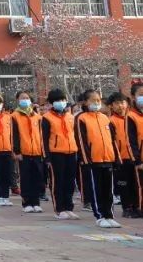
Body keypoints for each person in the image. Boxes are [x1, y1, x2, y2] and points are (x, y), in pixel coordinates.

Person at [74, 89, 121, 228]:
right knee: (96, 190)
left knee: (108, 190)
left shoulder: (105, 118)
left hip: (108, 159)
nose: (96, 103)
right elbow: (81, 141)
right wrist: (86, 160)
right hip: (93, 161)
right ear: (85, 102)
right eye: (93, 100)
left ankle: (109, 215)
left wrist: (116, 158)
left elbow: (112, 140)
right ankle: (100, 216)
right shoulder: (81, 118)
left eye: (98, 100)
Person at [42, 88, 79, 220]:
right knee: (58, 182)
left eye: (63, 99)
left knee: (70, 182)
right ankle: (59, 209)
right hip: (56, 154)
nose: (61, 102)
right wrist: (47, 157)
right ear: (52, 102)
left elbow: (75, 135)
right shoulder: (47, 118)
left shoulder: (70, 117)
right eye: (58, 100)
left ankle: (69, 207)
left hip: (71, 152)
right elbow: (44, 139)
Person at [12, 90, 45, 213]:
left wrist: (42, 151)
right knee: (25, 178)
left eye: (27, 98)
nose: (25, 100)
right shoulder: (14, 116)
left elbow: (42, 135)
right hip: (24, 152)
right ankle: (26, 203)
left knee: (37, 178)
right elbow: (14, 135)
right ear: (18, 100)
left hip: (36, 151)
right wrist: (17, 151)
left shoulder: (37, 117)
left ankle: (36, 202)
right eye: (22, 98)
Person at [106, 92, 137, 220]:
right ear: (111, 106)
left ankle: (136, 206)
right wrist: (116, 158)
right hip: (121, 158)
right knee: (124, 184)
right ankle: (127, 207)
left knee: (135, 184)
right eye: (117, 103)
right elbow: (112, 142)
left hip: (134, 157)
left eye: (122, 102)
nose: (120, 106)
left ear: (127, 103)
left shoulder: (132, 118)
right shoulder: (111, 121)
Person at [125, 83, 143, 219]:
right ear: (133, 97)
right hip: (140, 159)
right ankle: (139, 208)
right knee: (140, 186)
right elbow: (130, 141)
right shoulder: (131, 116)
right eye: (141, 95)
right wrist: (137, 161)